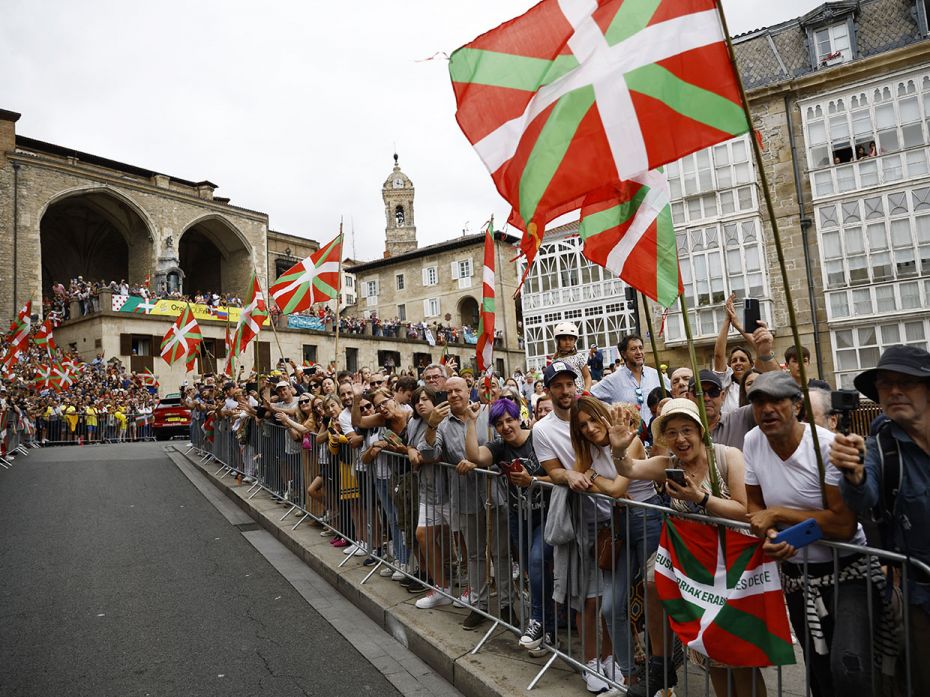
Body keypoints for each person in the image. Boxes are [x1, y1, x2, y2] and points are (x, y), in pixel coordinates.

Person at [607, 398, 759, 697]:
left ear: (701, 431)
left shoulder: (729, 457)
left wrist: (700, 498)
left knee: (741, 661)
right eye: (672, 432)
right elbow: (629, 468)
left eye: (687, 429)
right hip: (697, 572)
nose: (680, 439)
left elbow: (745, 511)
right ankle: (661, 663)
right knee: (710, 654)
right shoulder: (669, 464)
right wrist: (618, 447)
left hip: (732, 570)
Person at [743, 371, 873, 697]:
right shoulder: (752, 441)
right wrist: (772, 534)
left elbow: (842, 525)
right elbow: (755, 506)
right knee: (818, 670)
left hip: (848, 572)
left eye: (777, 401)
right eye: (759, 402)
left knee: (850, 666)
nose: (767, 409)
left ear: (798, 406)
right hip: (797, 576)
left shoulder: (827, 446)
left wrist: (779, 516)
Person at [831, 345, 930, 696]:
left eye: (907, 382)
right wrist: (853, 473)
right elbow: (864, 495)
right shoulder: (880, 446)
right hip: (920, 597)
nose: (894, 391)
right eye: (885, 384)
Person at [570, 396, 667, 691]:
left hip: (648, 519)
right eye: (582, 425)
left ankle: (662, 678)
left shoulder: (627, 441)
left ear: (603, 416)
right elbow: (578, 474)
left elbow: (615, 489)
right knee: (611, 607)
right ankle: (629, 679)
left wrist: (593, 475)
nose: (588, 428)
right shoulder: (590, 450)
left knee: (656, 603)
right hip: (620, 526)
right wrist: (585, 472)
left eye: (591, 420)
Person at [532, 361, 614, 693]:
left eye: (570, 384)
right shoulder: (542, 429)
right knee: (588, 599)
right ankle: (590, 663)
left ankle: (613, 660)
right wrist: (572, 476)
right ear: (548, 390)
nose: (565, 391)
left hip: (616, 519)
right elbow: (554, 472)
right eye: (558, 386)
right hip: (580, 522)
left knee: (613, 600)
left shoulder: (594, 414)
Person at [418, 376, 514, 630]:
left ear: (468, 390)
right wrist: (430, 427)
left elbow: (506, 446)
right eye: (448, 392)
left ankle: (506, 605)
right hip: (464, 496)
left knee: (501, 553)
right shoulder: (441, 423)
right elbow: (429, 454)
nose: (453, 395)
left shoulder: (486, 413)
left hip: (495, 495)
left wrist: (479, 460)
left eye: (458, 390)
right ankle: (479, 605)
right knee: (473, 554)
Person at [463, 397, 553, 654]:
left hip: (546, 516)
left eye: (509, 420)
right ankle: (548, 631)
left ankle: (537, 621)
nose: (505, 427)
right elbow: (475, 456)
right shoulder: (500, 446)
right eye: (499, 423)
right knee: (534, 573)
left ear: (519, 418)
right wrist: (471, 421)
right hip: (518, 518)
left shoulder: (539, 438)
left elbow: (559, 474)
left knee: (537, 562)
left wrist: (532, 479)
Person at [592, 334, 669, 424]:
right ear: (624, 354)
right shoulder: (613, 380)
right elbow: (589, 396)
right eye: (633, 349)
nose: (639, 352)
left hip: (655, 433)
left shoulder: (656, 375)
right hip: (628, 435)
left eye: (641, 348)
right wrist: (609, 410)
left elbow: (673, 393)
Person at [713, 294, 756, 415]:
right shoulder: (726, 385)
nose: (738, 363)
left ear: (751, 364)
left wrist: (737, 324)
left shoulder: (759, 381)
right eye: (734, 360)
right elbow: (718, 356)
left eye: (742, 360)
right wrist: (727, 320)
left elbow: (760, 348)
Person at [551, 322, 591, 392]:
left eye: (571, 339)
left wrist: (586, 390)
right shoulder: (556, 360)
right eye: (564, 339)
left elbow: (587, 376)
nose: (568, 342)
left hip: (581, 395)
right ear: (558, 341)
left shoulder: (579, 357)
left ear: (575, 341)